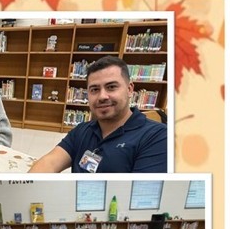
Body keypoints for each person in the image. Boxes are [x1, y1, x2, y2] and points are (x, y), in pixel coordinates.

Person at [29, 56, 166, 173]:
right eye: (94, 89)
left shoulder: (158, 137)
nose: (102, 96)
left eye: (111, 87)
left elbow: (138, 196)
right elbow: (50, 163)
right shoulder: (82, 130)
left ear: (130, 89)